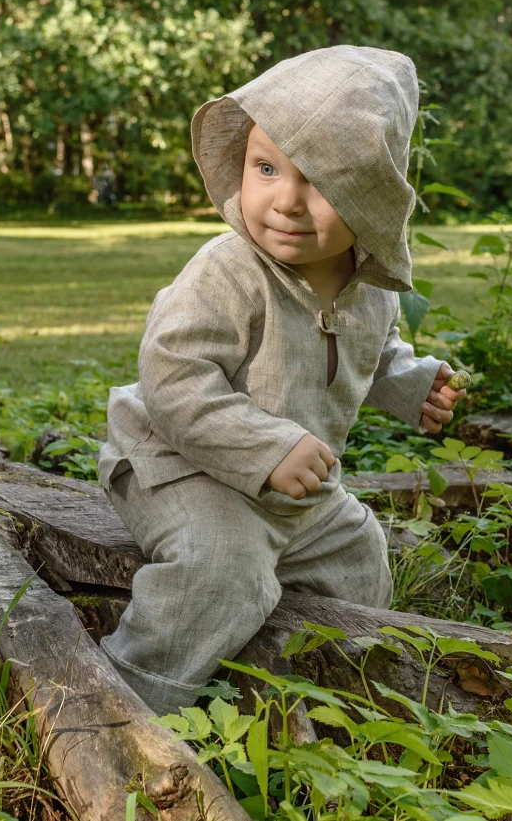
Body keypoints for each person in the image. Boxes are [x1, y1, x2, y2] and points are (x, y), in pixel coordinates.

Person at [95, 45, 467, 714]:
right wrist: (267, 449)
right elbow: (173, 379)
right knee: (222, 569)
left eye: (320, 182)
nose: (286, 201)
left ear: (369, 194)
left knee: (360, 553)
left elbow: (370, 353)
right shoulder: (227, 270)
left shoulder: (367, 289)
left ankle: (336, 690)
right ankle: (128, 706)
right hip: (179, 465)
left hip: (293, 491)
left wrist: (413, 383)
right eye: (266, 167)